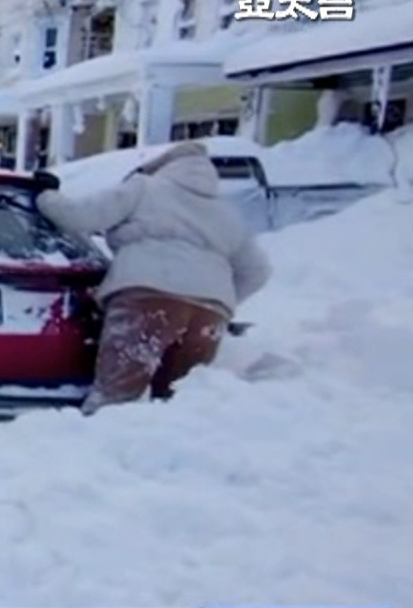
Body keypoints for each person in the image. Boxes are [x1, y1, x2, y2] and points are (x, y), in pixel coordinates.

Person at [29, 142, 272, 414]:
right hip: (209, 314)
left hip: (147, 298)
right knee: (179, 404)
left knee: (114, 397)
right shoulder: (227, 214)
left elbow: (82, 217)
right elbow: (258, 270)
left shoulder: (145, 188)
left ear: (164, 167)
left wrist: (47, 196)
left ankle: (94, 439)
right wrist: (218, 299)